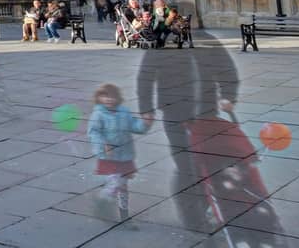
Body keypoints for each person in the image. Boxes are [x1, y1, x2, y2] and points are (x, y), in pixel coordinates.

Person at [137, 39, 240, 233]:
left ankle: (208, 206)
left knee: (210, 162)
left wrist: (228, 95)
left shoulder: (206, 40)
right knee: (186, 165)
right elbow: (146, 75)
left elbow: (226, 69)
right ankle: (193, 217)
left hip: (206, 113)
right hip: (175, 113)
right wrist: (146, 108)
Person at [88, 82, 149, 220]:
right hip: (109, 157)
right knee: (115, 182)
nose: (109, 99)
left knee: (123, 186)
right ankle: (102, 202)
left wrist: (145, 123)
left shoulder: (124, 112)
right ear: (99, 98)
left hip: (125, 156)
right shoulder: (98, 114)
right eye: (105, 96)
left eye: (112, 96)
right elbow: (93, 133)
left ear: (118, 98)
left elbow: (135, 126)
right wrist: (104, 144)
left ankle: (124, 214)